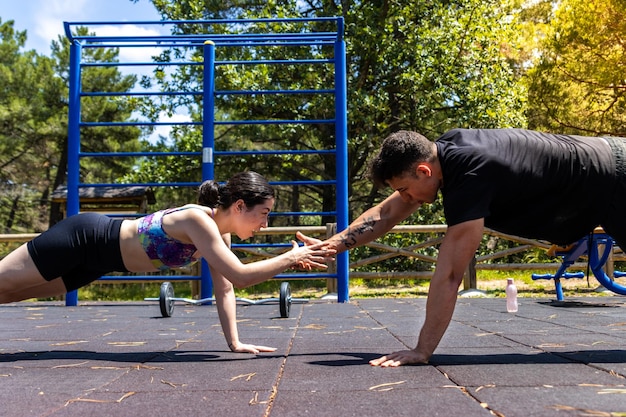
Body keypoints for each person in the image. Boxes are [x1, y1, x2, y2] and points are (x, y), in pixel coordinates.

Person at [297, 128, 626, 367]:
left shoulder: (469, 173)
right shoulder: (447, 154)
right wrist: (333, 246)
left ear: (424, 170)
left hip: (615, 177)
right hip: (607, 173)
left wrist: (421, 350)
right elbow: (386, 213)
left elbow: (451, 273)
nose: (406, 199)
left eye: (405, 189)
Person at [0, 171, 335, 354]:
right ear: (238, 206)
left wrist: (235, 343)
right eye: (262, 215)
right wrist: (291, 257)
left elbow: (228, 288)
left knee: (11, 295)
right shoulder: (197, 220)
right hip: (83, 238)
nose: (264, 224)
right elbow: (242, 275)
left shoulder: (220, 235)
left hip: (96, 264)